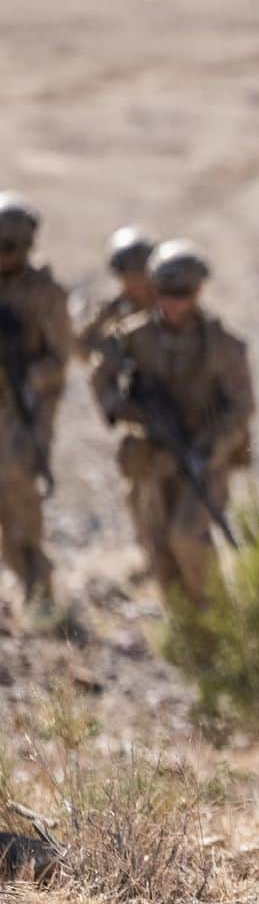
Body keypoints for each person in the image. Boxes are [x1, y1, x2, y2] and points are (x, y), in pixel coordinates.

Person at [91, 240, 254, 603]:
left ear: (197, 292)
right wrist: (120, 407)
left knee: (188, 534)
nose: (174, 302)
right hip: (153, 454)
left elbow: (242, 407)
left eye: (182, 293)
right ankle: (185, 628)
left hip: (204, 456)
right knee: (158, 544)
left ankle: (217, 616)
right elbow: (100, 373)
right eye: (166, 292)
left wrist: (212, 445)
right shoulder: (133, 336)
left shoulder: (222, 345)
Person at [0, 191, 75, 610]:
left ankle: (36, 577)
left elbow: (59, 358)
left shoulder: (45, 294)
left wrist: (29, 378)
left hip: (26, 404)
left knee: (16, 475)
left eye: (7, 247)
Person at [75, 227, 156, 358]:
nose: (129, 284)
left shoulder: (169, 305)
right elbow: (82, 345)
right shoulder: (115, 306)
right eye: (125, 277)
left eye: (136, 276)